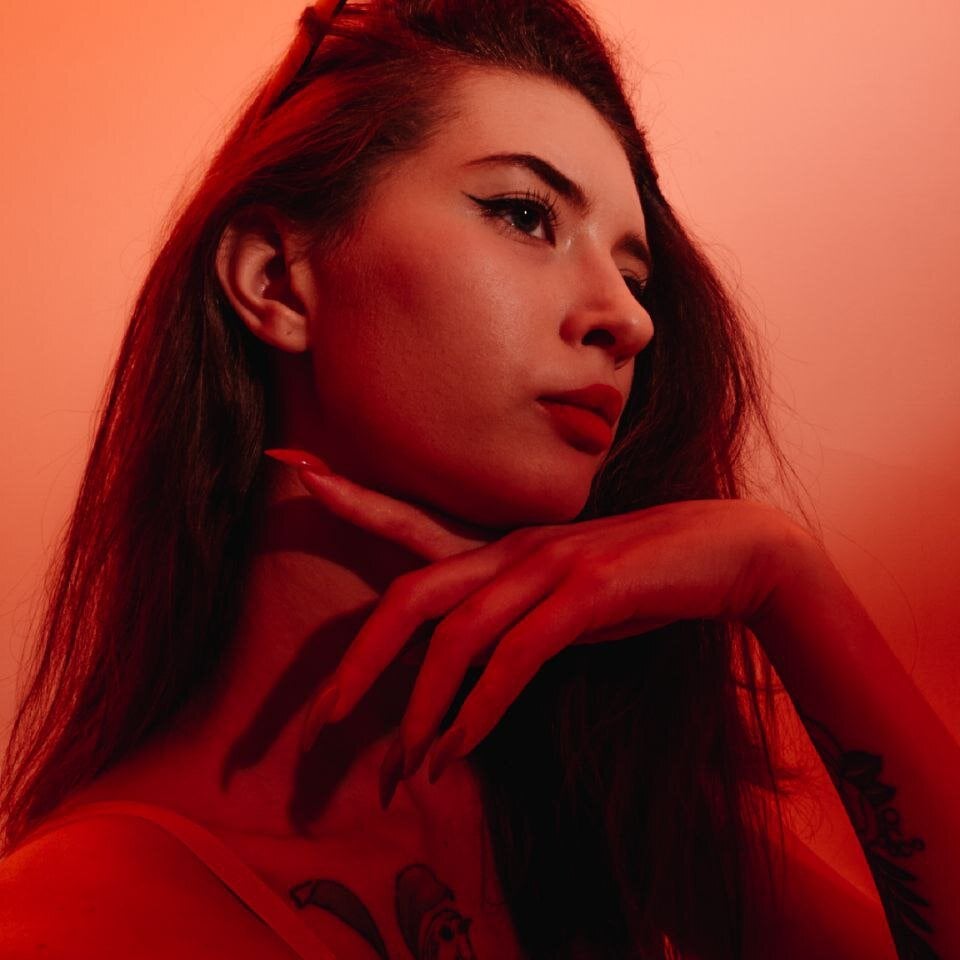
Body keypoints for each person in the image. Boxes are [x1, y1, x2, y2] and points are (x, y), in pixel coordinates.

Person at [1, 0, 957, 957]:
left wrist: (783, 579)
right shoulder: (74, 920)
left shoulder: (606, 821)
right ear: (276, 278)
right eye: (524, 215)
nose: (630, 320)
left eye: (636, 276)